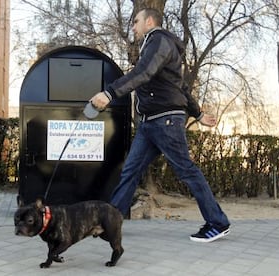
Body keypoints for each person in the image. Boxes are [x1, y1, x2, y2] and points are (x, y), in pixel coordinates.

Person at [89, 8, 230, 243]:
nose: (133, 26)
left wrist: (110, 93)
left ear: (150, 21)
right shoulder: (154, 45)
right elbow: (180, 86)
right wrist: (198, 113)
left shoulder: (159, 40)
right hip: (150, 123)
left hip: (165, 121)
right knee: (130, 171)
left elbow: (143, 73)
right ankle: (110, 221)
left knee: (186, 170)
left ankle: (218, 222)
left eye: (136, 21)